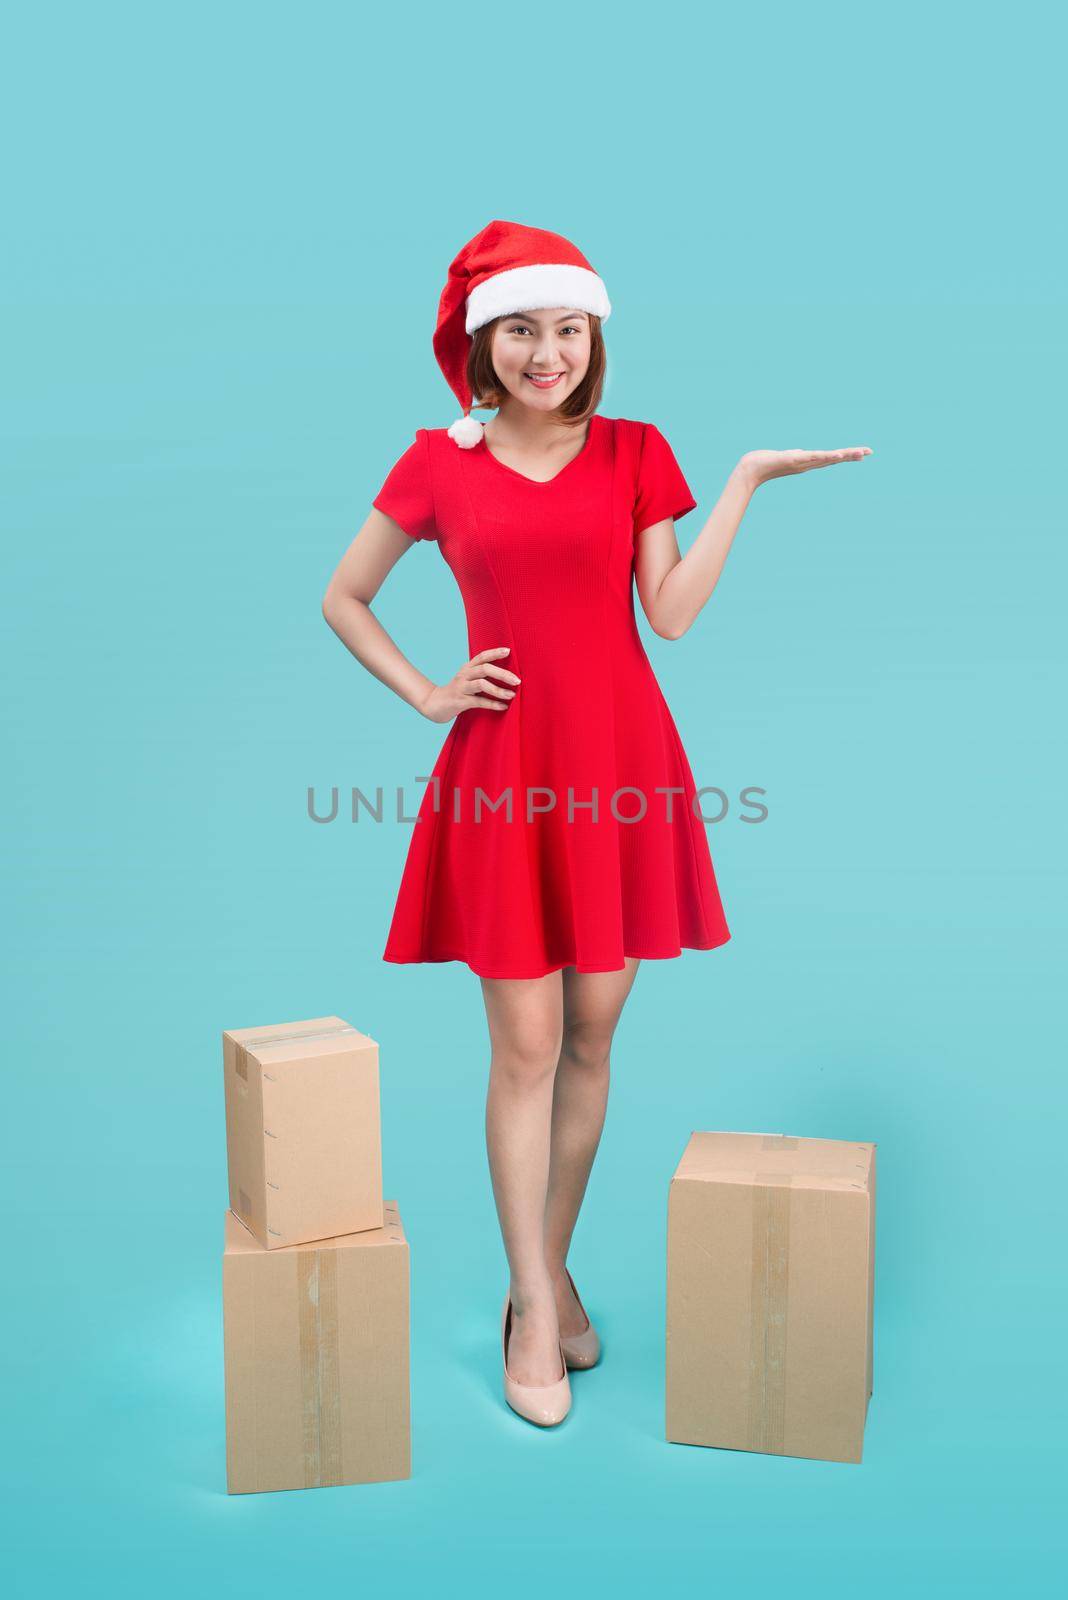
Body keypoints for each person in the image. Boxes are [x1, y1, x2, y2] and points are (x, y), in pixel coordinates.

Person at [322, 219, 872, 1428]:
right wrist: (427, 690)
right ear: (483, 341)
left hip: (623, 766)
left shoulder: (635, 450)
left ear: (593, 338)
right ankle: (531, 1302)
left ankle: (547, 1275)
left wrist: (741, 485)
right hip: (507, 773)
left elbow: (667, 614)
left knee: (591, 1038)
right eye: (521, 328)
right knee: (522, 1045)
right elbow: (343, 594)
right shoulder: (436, 461)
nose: (547, 351)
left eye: (567, 328)